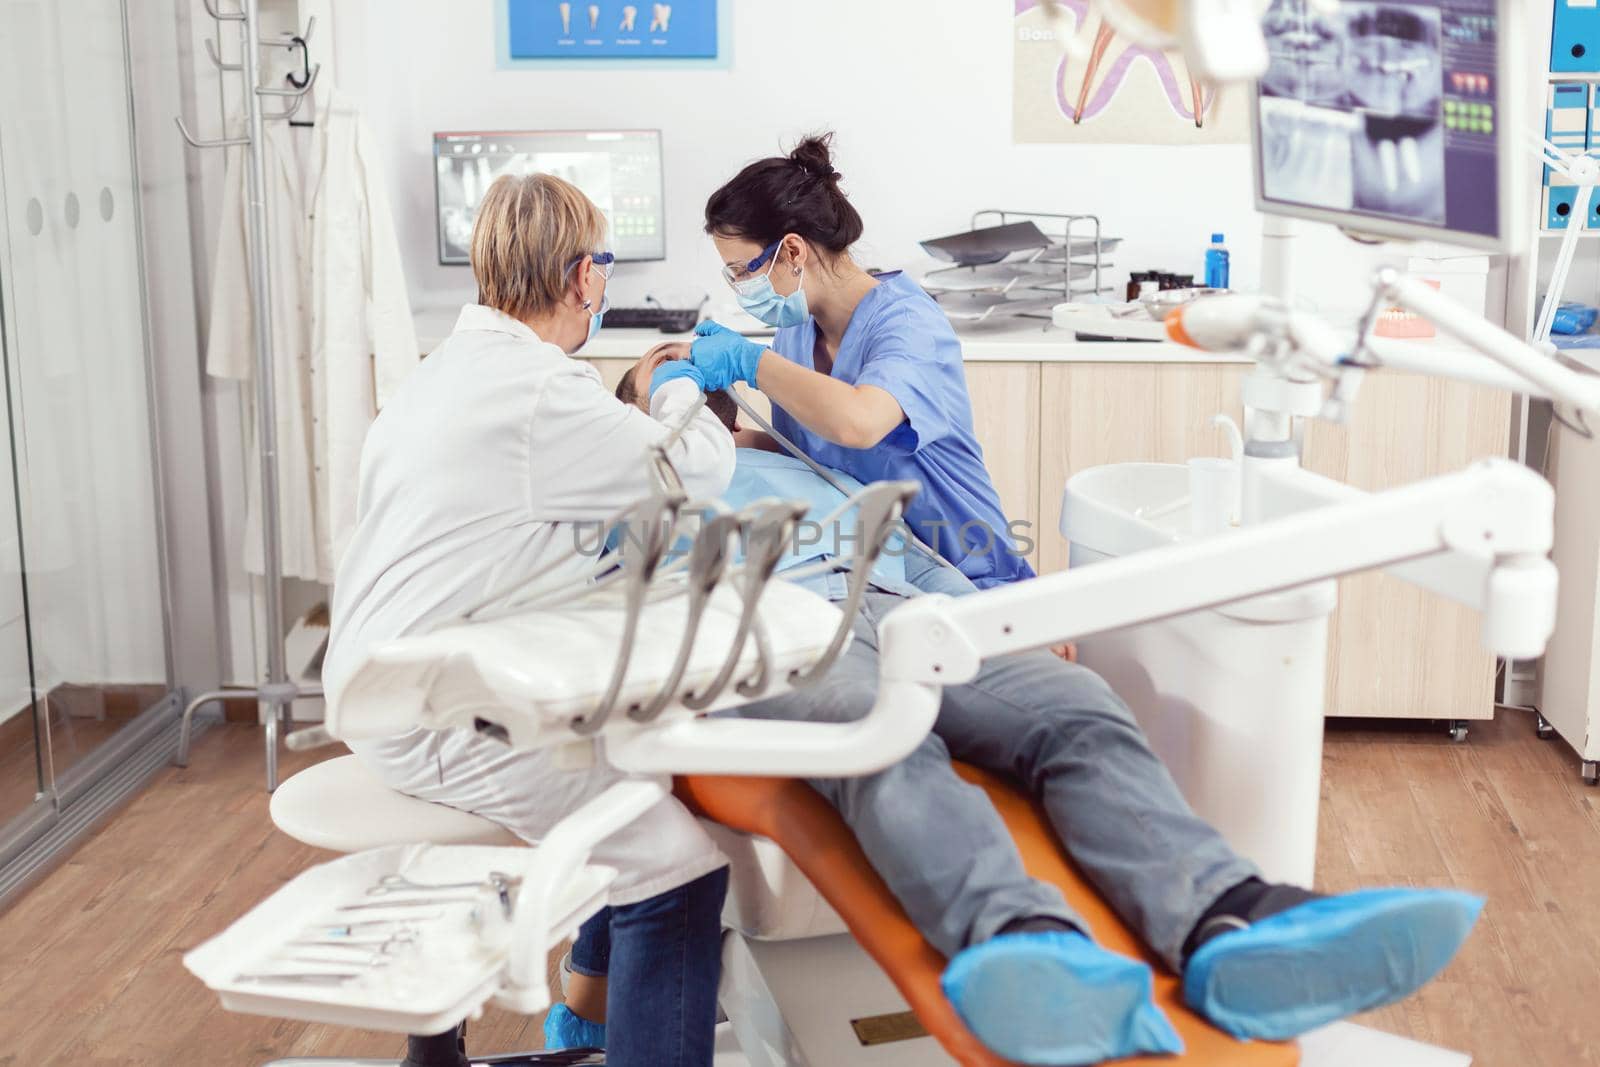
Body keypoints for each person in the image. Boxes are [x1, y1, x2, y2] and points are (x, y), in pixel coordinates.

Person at [542, 347, 1486, 1067]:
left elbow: (932, 569)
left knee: (1076, 706)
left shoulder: (814, 467)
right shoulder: (642, 494)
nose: (685, 385)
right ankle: (1024, 943)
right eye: (658, 381)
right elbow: (598, 614)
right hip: (763, 631)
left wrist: (1013, 624)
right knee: (880, 735)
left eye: (691, 374)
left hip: (909, 617)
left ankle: (1233, 918)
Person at [320, 175, 736, 1067]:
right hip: (435, 711)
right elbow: (699, 466)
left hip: (381, 686)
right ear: (585, 277)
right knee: (676, 858)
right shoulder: (542, 393)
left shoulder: (441, 376)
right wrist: (672, 383)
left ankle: (569, 1030)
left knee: (628, 768)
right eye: (606, 269)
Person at [686, 133, 1034, 590]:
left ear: (792, 251)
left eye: (742, 271)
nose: (740, 287)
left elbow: (858, 424)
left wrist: (748, 361)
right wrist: (705, 441)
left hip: (964, 570)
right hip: (881, 570)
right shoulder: (795, 330)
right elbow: (813, 455)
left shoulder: (908, 324)